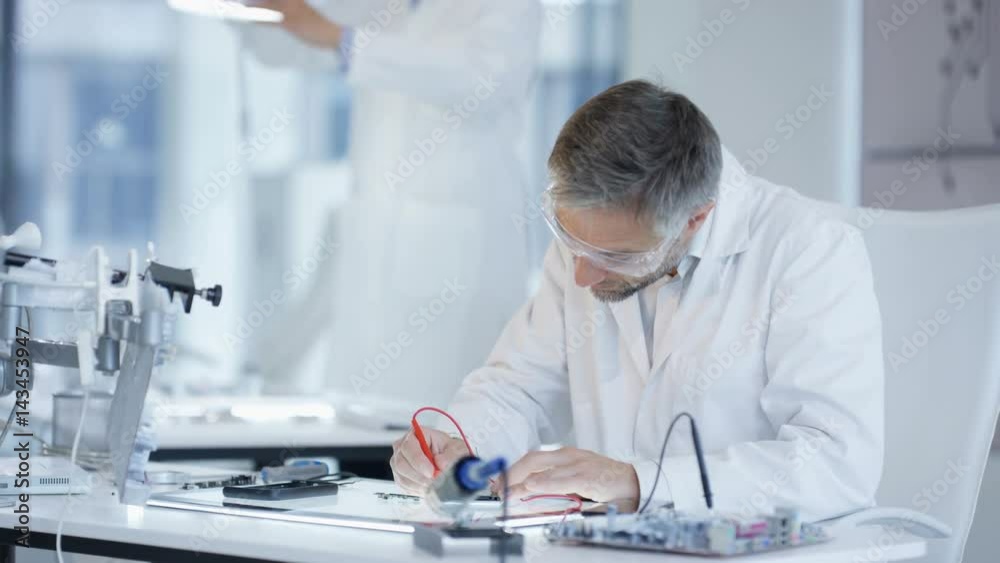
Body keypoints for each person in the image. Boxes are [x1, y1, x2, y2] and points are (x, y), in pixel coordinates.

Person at [390, 80, 885, 521]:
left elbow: (836, 463)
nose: (581, 275)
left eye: (613, 256)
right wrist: (463, 448)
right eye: (569, 240)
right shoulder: (590, 241)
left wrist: (638, 483)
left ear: (696, 218)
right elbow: (520, 389)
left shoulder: (808, 251)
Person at [237, 0, 541, 404]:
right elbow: (293, 45)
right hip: (374, 240)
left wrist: (344, 40)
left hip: (456, 248)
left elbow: (487, 79)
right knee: (359, 412)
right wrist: (247, 11)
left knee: (444, 415)